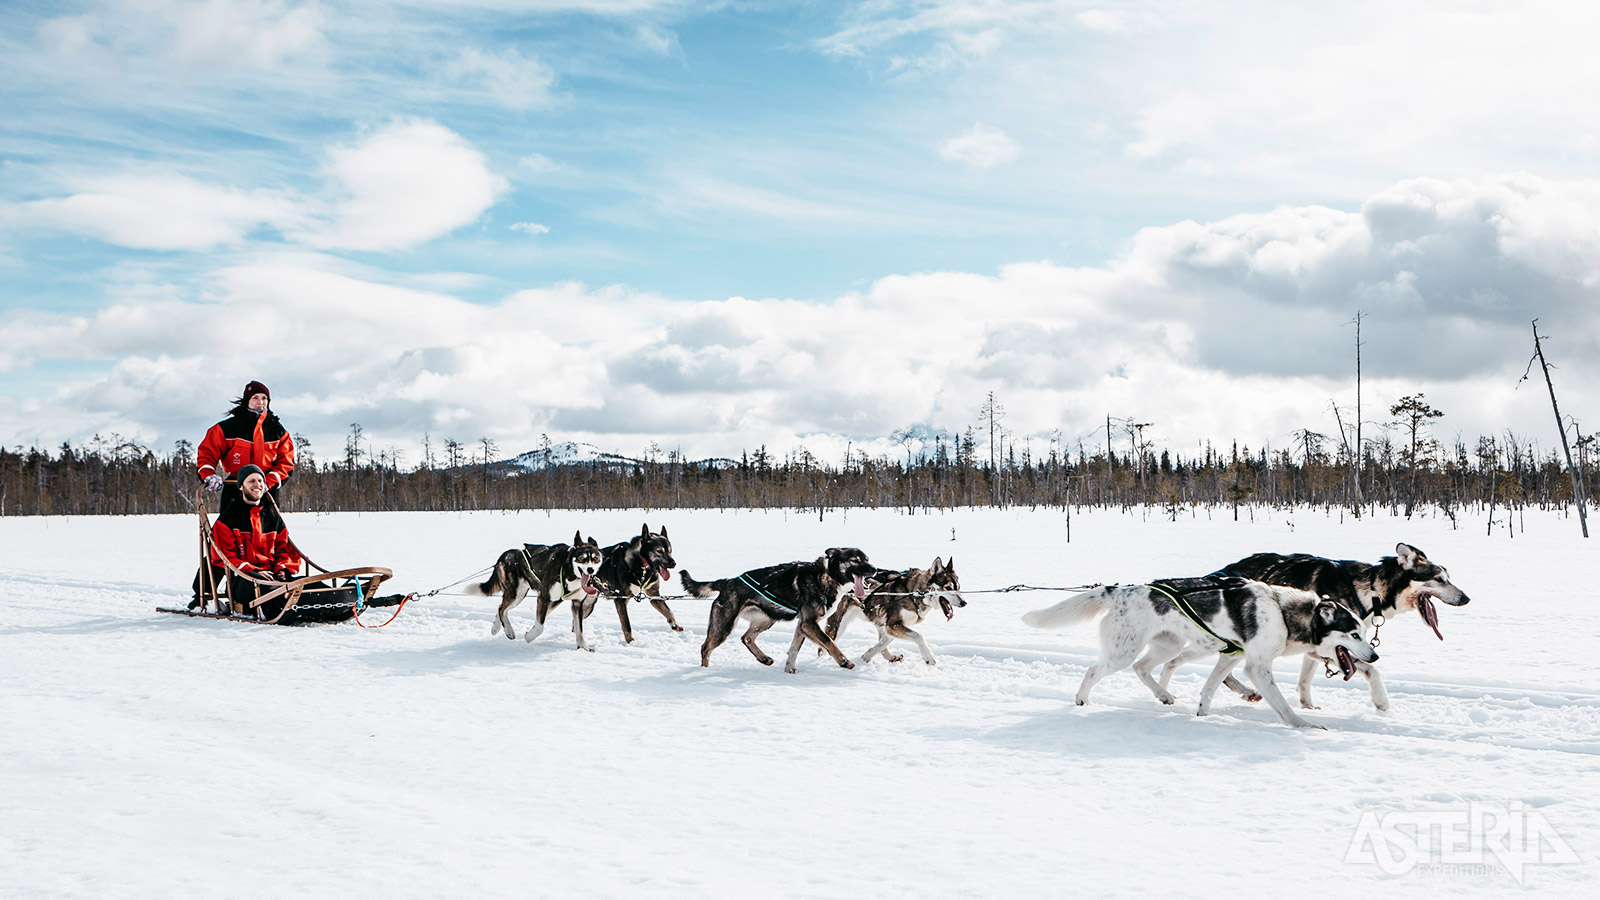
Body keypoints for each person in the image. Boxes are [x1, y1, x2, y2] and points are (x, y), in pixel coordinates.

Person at [198, 465, 304, 617]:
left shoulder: (272, 518)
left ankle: (333, 602)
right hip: (243, 581)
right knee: (269, 588)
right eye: (251, 481)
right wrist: (252, 571)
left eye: (260, 480)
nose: (257, 485)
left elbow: (285, 550)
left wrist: (282, 568)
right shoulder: (228, 519)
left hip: (273, 577)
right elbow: (223, 556)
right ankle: (284, 606)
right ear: (241, 486)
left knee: (303, 583)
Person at [196, 380, 295, 511]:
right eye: (255, 398)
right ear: (247, 400)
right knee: (229, 531)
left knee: (268, 531)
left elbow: (286, 463)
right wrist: (209, 475)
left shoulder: (278, 431)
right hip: (235, 488)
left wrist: (268, 482)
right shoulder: (228, 428)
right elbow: (207, 452)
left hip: (265, 492)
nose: (260, 401)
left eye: (264, 398)